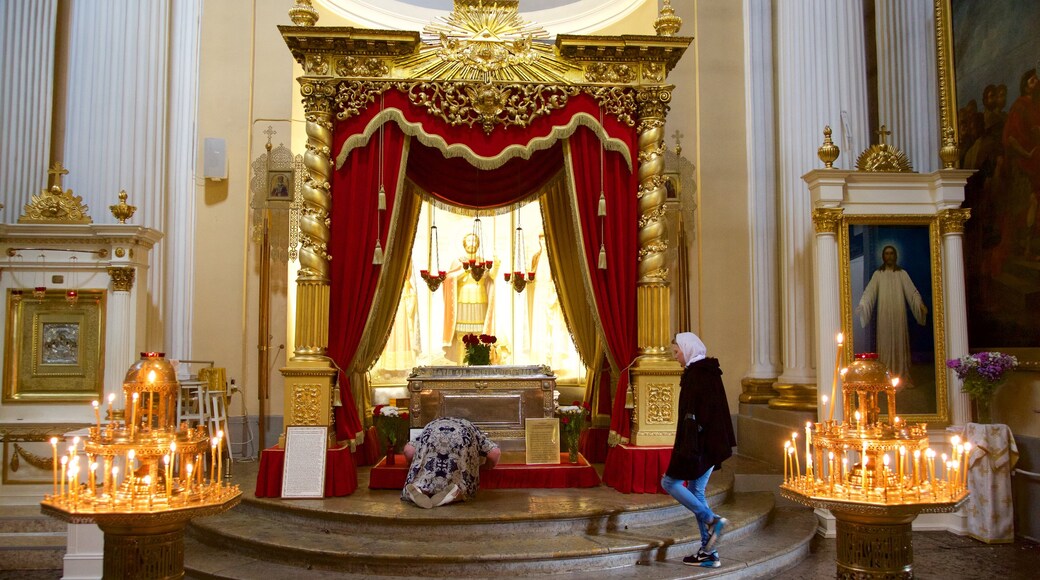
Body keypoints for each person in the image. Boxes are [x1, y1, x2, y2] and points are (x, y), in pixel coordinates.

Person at [661, 332, 737, 568]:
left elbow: (694, 419)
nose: (676, 357)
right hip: (711, 445)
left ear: (687, 349)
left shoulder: (697, 375)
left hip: (699, 446)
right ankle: (708, 552)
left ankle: (711, 519)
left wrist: (687, 450)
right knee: (696, 491)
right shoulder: (708, 372)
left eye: (677, 351)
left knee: (669, 483)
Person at [856, 245, 928, 384]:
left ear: (895, 256)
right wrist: (863, 305)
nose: (889, 256)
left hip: (898, 314)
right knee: (885, 341)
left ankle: (902, 375)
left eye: (891, 254)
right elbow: (869, 292)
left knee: (899, 341)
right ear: (883, 256)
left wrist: (920, 305)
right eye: (887, 254)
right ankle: (886, 375)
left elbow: (912, 292)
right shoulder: (878, 274)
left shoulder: (902, 274)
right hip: (884, 315)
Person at [401, 417, 501, 508]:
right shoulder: (470, 427)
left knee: (422, 480)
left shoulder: (432, 425)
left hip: (430, 462)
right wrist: (487, 466)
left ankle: (418, 489)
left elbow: (408, 450)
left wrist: (414, 464)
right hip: (458, 458)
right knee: (466, 489)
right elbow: (495, 453)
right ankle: (456, 493)